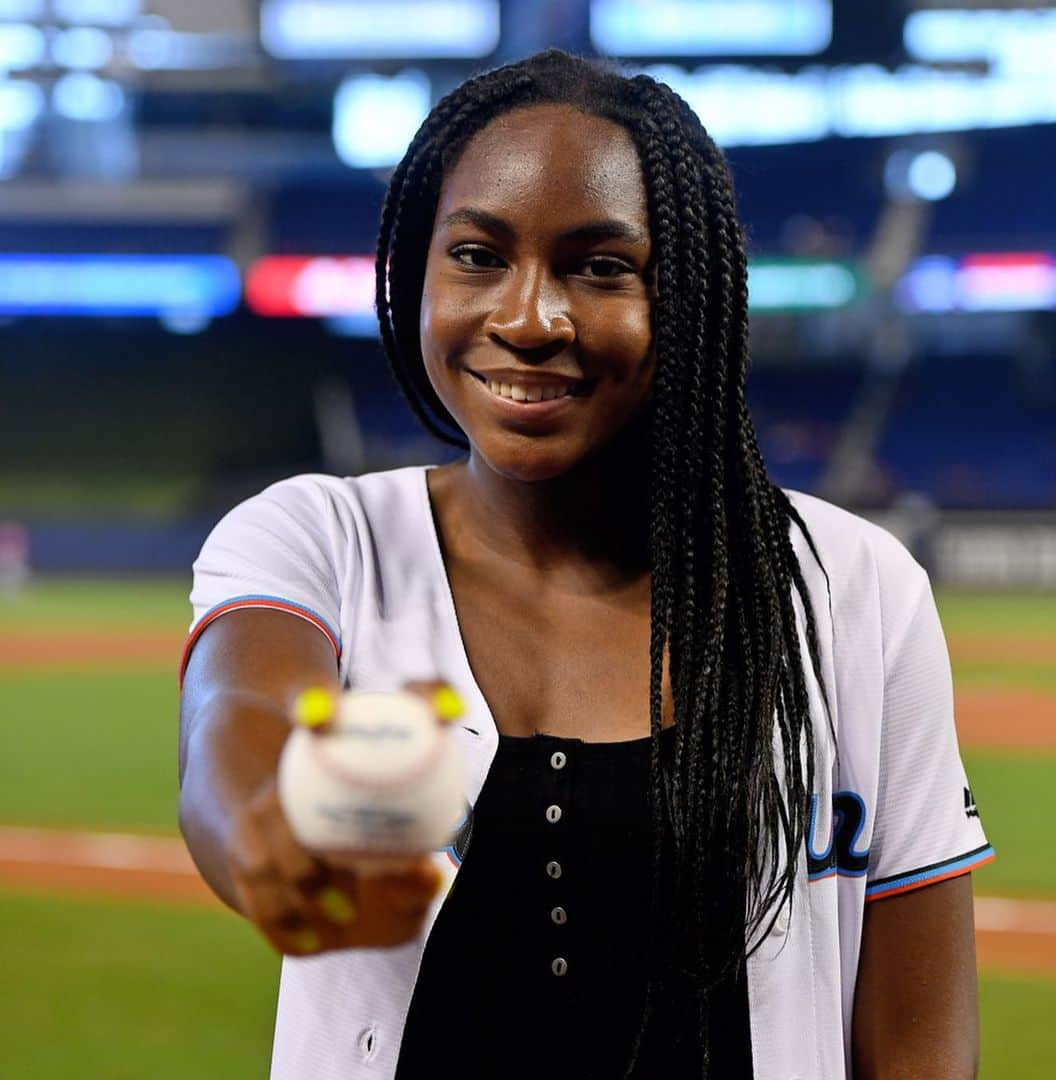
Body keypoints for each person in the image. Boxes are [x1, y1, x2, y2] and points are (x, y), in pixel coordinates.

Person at [178, 49, 994, 1080]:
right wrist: (269, 823)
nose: (527, 319)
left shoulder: (856, 587)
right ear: (414, 270)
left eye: (600, 266)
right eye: (476, 254)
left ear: (687, 293)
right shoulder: (319, 538)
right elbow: (234, 724)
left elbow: (921, 1047)